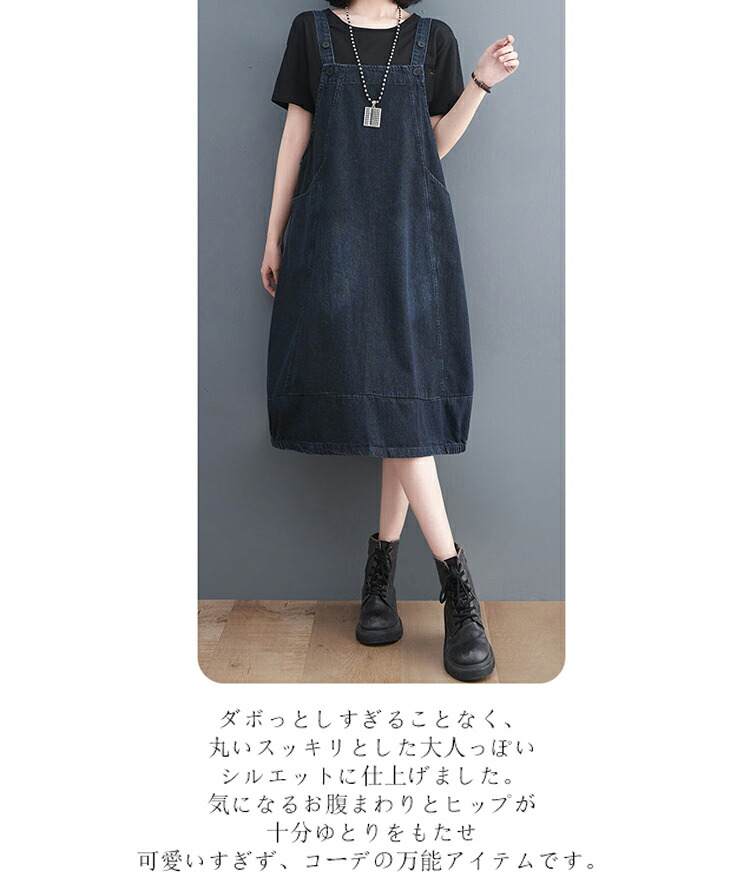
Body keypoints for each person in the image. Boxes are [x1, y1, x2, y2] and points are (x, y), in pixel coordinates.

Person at [260, 1, 519, 681]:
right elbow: (296, 135)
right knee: (391, 405)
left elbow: (432, 144)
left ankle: (387, 583)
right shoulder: (312, 31)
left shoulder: (433, 39)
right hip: (333, 239)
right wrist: (274, 234)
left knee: (399, 402)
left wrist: (480, 83)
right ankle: (448, 586)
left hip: (410, 240)